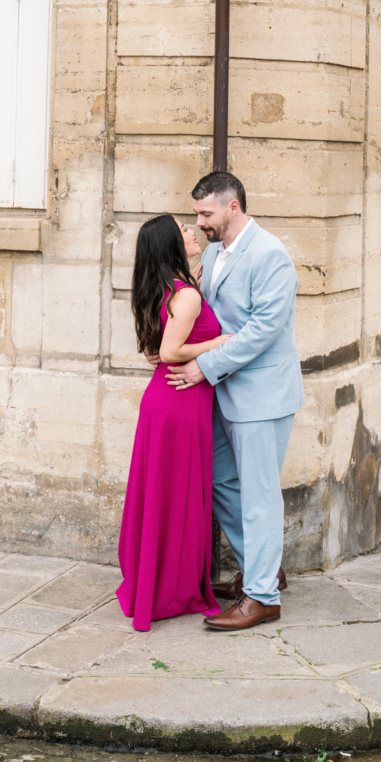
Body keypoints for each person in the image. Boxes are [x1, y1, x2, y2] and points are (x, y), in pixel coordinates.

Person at [166, 171, 304, 631]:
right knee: (223, 481)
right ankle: (263, 569)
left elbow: (263, 331)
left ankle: (262, 597)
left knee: (260, 495)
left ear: (232, 207)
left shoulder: (270, 255)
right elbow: (209, 315)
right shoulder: (211, 252)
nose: (200, 222)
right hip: (224, 394)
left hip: (261, 394)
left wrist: (202, 367)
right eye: (197, 213)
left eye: (206, 213)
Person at [116, 215, 233, 631]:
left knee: (169, 494)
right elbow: (168, 352)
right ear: (171, 244)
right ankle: (170, 589)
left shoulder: (175, 288)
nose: (193, 231)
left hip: (169, 400)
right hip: (179, 398)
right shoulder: (185, 295)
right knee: (178, 495)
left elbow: (158, 346)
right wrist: (218, 342)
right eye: (184, 229)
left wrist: (194, 285)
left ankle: (162, 581)